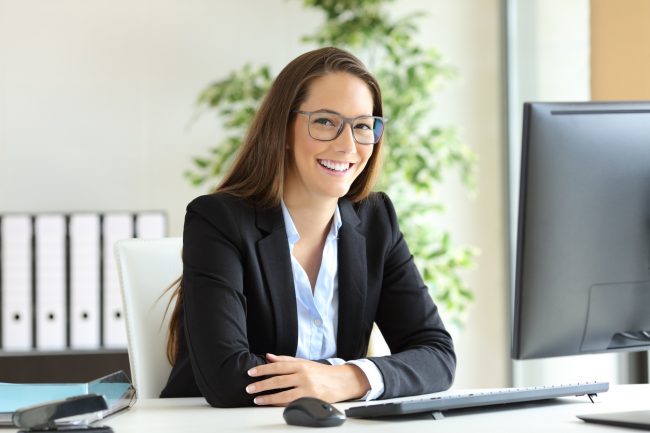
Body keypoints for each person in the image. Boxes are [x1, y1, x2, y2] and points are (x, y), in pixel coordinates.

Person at [160, 46, 456, 408]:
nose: (348, 145)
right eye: (326, 122)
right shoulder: (218, 221)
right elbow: (226, 378)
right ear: (283, 129)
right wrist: (334, 379)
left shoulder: (376, 221)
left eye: (363, 126)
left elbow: (437, 356)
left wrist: (346, 378)